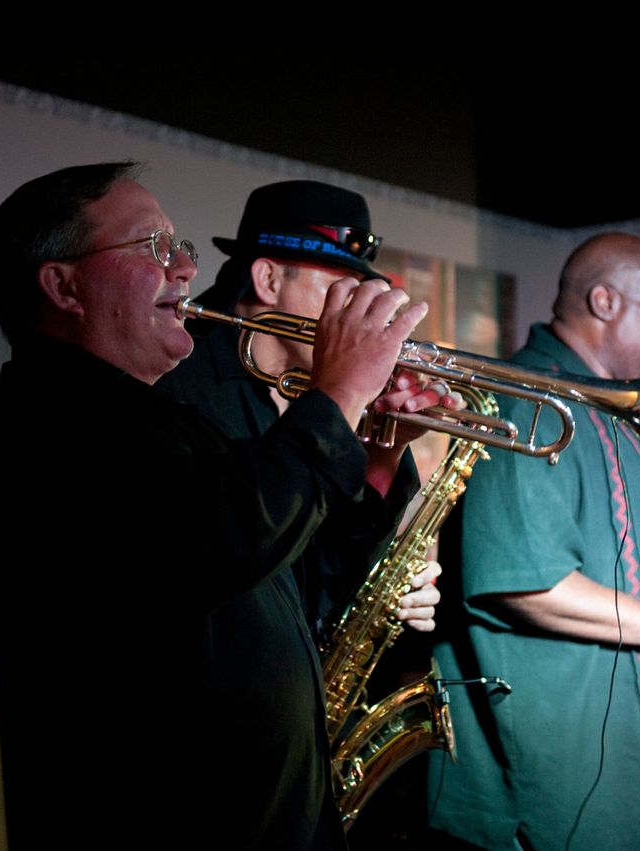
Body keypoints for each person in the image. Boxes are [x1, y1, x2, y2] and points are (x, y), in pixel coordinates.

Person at [0, 162, 447, 848]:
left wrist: (380, 458)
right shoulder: (37, 419)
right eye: (153, 247)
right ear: (64, 286)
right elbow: (220, 537)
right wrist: (341, 395)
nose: (185, 267)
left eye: (179, 246)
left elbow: (290, 564)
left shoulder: (150, 416)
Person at [427, 232, 640, 850]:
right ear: (605, 301)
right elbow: (525, 582)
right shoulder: (530, 402)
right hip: (567, 775)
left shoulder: (617, 408)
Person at [157, 180, 441, 644]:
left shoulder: (314, 393)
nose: (356, 312)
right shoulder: (178, 386)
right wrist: (343, 394)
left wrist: (383, 457)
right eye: (340, 290)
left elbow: (313, 582)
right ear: (268, 280)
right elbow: (222, 553)